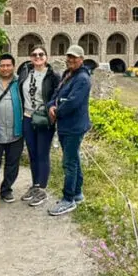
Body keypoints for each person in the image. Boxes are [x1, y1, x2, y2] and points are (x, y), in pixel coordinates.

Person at [47, 45, 92, 216]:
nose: (71, 60)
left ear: (81, 59)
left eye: (74, 57)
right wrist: (51, 105)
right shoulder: (68, 75)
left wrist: (56, 112)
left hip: (74, 127)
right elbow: (57, 95)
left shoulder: (82, 79)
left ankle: (68, 199)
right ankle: (78, 193)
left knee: (69, 163)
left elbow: (72, 102)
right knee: (74, 159)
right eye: (69, 57)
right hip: (66, 126)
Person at [16, 45, 59, 207]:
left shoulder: (53, 76)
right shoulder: (25, 72)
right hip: (27, 117)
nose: (38, 57)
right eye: (34, 54)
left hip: (43, 119)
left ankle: (42, 189)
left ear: (46, 57)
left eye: (41, 54)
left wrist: (53, 108)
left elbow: (57, 95)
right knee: (33, 154)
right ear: (30, 57)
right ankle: (35, 185)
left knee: (42, 153)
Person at [0, 54, 24, 204]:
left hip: (16, 131)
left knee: (12, 164)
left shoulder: (20, 82)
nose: (5, 68)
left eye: (8, 65)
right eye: (2, 65)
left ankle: (6, 190)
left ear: (13, 66)